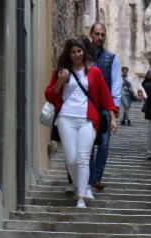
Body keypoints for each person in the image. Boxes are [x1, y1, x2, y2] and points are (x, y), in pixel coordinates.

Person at [45, 36, 118, 208]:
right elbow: (49, 95)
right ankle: (82, 186)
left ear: (84, 52)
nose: (77, 54)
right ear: (68, 54)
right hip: (66, 118)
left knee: (83, 157)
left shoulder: (94, 71)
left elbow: (105, 96)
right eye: (73, 52)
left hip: (88, 119)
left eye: (79, 51)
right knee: (71, 159)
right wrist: (60, 82)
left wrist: (113, 118)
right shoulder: (61, 72)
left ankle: (81, 197)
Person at [86, 23, 121, 191]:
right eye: (97, 34)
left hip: (104, 108)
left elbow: (116, 84)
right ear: (91, 34)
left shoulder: (112, 58)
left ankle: (96, 177)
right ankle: (91, 178)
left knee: (104, 144)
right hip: (86, 107)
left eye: (102, 35)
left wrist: (114, 109)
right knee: (88, 144)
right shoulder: (82, 55)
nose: (100, 37)